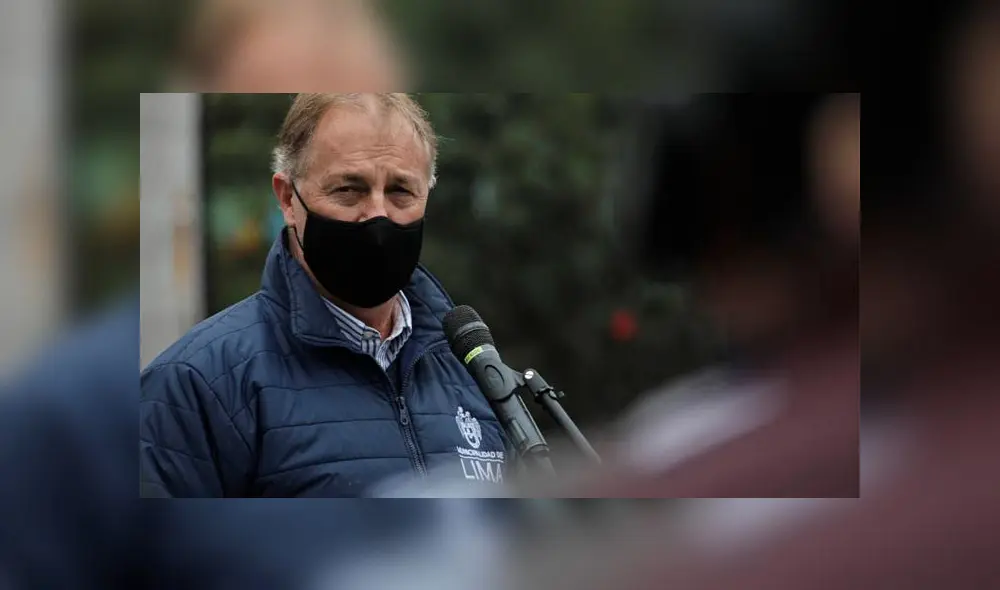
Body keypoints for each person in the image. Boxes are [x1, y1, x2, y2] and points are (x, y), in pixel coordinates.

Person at [141, 93, 511, 498]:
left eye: (401, 191)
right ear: (288, 198)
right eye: (349, 189)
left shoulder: (471, 373)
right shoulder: (197, 385)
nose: (378, 215)